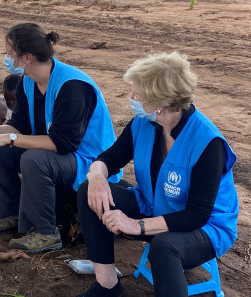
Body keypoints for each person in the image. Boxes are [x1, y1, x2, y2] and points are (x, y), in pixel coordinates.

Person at [76, 52, 238, 297]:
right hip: (154, 206)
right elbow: (109, 159)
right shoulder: (144, 122)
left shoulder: (207, 142)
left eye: (136, 93)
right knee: (88, 190)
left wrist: (135, 225)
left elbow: (197, 215)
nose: (130, 97)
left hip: (205, 227)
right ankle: (107, 285)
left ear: (160, 101)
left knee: (164, 246)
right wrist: (97, 177)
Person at [0, 23, 120, 254]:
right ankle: (8, 213)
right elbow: (19, 125)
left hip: (89, 161)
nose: (7, 57)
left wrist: (10, 138)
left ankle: (46, 232)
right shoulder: (28, 81)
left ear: (27, 57)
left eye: (10, 53)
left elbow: (62, 144)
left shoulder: (72, 87)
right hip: (60, 153)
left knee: (34, 159)